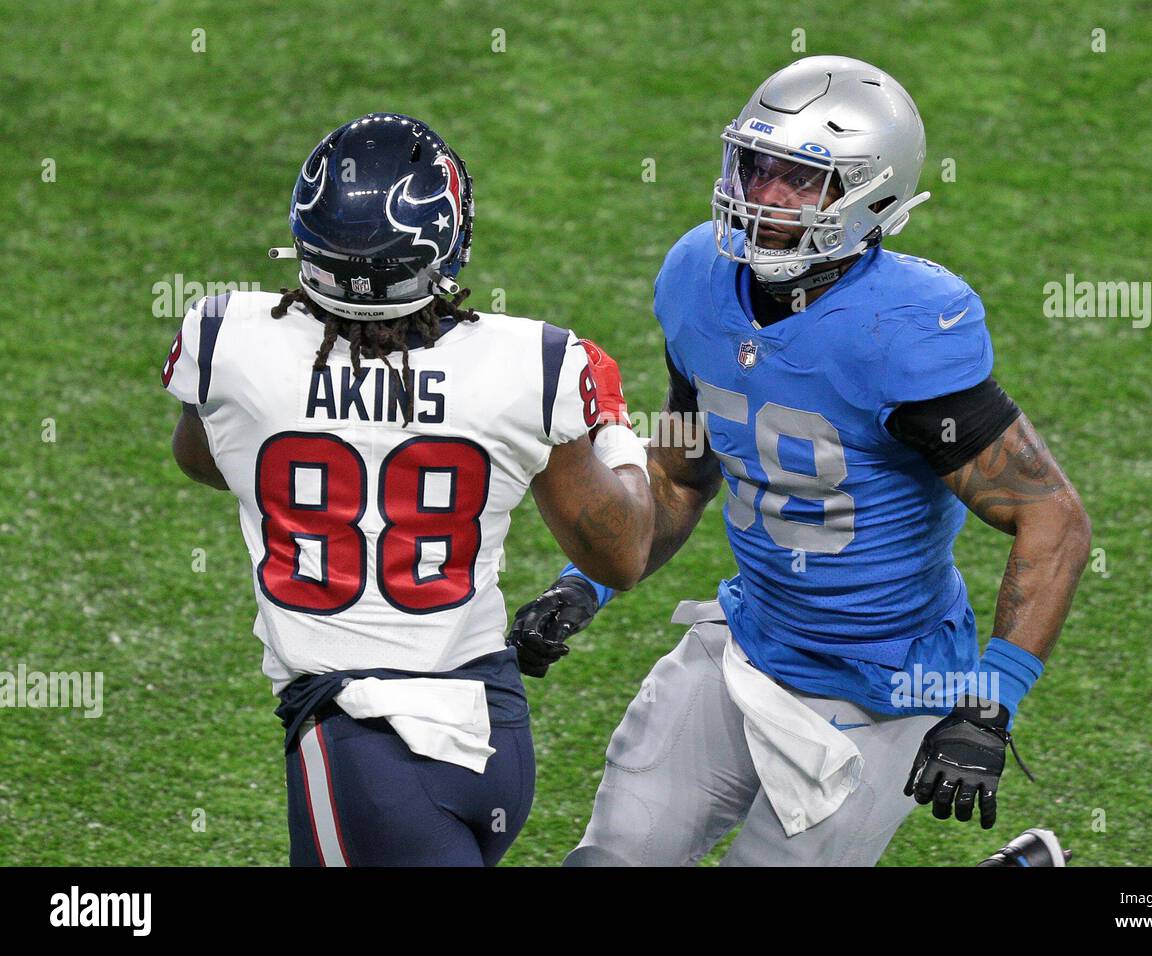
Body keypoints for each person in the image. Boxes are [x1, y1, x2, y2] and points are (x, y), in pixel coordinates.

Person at [509, 57, 1091, 866]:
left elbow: (1050, 516)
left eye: (802, 179)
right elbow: (681, 474)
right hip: (748, 640)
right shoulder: (696, 280)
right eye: (758, 166)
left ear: (873, 195)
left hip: (883, 684)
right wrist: (590, 581)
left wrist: (990, 707)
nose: (765, 196)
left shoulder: (903, 330)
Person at [163, 112, 652, 866]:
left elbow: (204, 458)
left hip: (363, 747)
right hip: (492, 727)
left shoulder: (227, 336)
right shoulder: (534, 363)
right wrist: (611, 424)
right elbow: (621, 554)